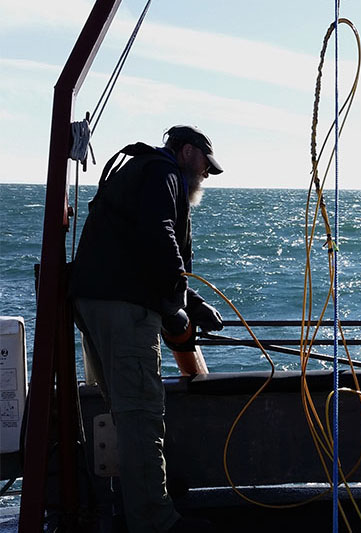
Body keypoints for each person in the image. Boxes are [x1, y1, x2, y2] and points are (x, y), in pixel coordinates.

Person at [70, 125, 226, 533]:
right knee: (140, 412)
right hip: (124, 309)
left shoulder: (136, 170)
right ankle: (154, 521)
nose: (206, 175)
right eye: (206, 165)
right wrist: (177, 303)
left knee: (124, 408)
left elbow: (137, 243)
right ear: (188, 152)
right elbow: (160, 233)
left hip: (93, 301)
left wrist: (190, 304)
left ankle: (143, 496)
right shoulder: (164, 173)